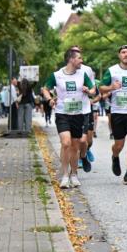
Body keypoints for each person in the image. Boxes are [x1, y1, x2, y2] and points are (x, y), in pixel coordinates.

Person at [42, 47, 98, 188]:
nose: (81, 60)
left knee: (75, 146)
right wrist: (50, 99)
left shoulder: (82, 74)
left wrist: (88, 90)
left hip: (78, 114)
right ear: (71, 59)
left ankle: (74, 174)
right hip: (62, 114)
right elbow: (45, 89)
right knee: (65, 143)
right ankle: (65, 175)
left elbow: (93, 90)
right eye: (79, 58)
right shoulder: (56, 75)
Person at [100, 44, 127, 185]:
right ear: (119, 55)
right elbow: (101, 88)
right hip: (117, 112)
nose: (125, 54)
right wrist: (112, 87)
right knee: (119, 144)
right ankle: (115, 156)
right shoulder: (112, 71)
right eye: (123, 52)